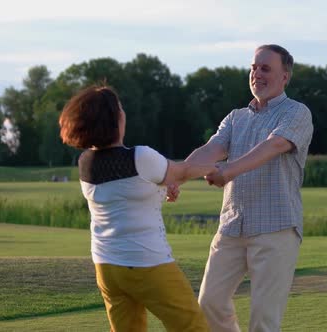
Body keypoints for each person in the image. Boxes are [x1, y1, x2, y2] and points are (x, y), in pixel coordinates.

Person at [59, 85, 212, 332]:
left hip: (107, 267)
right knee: (192, 326)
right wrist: (220, 166)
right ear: (116, 118)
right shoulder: (139, 157)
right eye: (120, 108)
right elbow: (182, 171)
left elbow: (124, 194)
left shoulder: (85, 161)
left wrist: (162, 188)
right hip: (146, 262)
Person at [184, 44, 313, 332]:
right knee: (209, 303)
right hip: (232, 228)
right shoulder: (235, 118)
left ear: (285, 77)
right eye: (254, 67)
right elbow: (211, 149)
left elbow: (273, 146)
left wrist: (228, 171)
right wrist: (176, 177)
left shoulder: (296, 113)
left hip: (275, 228)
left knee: (264, 321)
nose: (257, 73)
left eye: (265, 68)